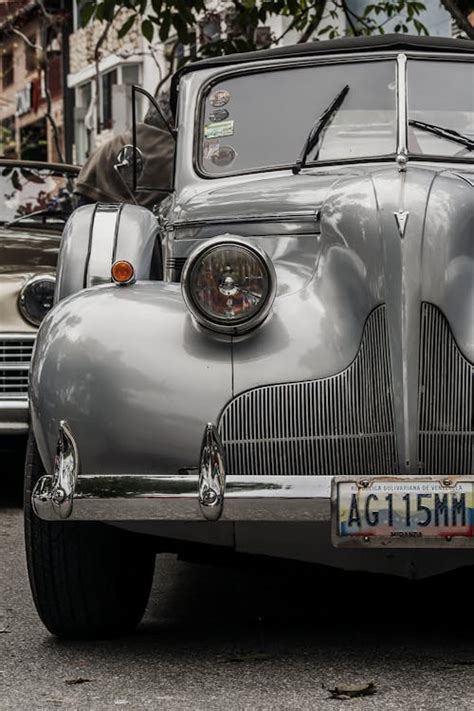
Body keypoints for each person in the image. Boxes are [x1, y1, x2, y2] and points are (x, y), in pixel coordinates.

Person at [74, 97, 175, 210]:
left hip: (99, 220)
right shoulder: (178, 157)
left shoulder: (108, 148)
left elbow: (82, 208)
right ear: (173, 124)